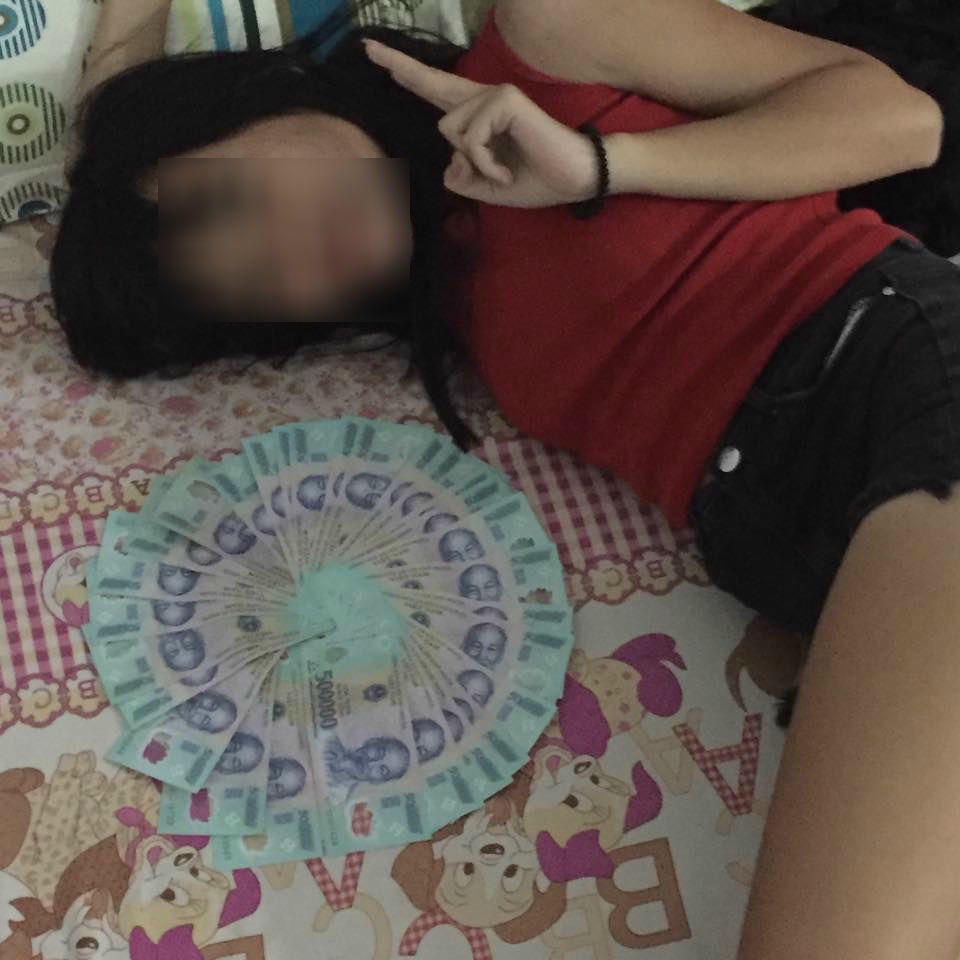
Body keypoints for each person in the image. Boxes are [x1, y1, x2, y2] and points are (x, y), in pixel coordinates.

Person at [52, 1, 960, 957]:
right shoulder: (449, 289)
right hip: (802, 550)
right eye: (261, 279)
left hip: (892, 381)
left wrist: (601, 165)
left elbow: (902, 120)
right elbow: (113, 184)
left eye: (244, 197)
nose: (297, 248)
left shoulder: (544, 35)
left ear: (255, 93)